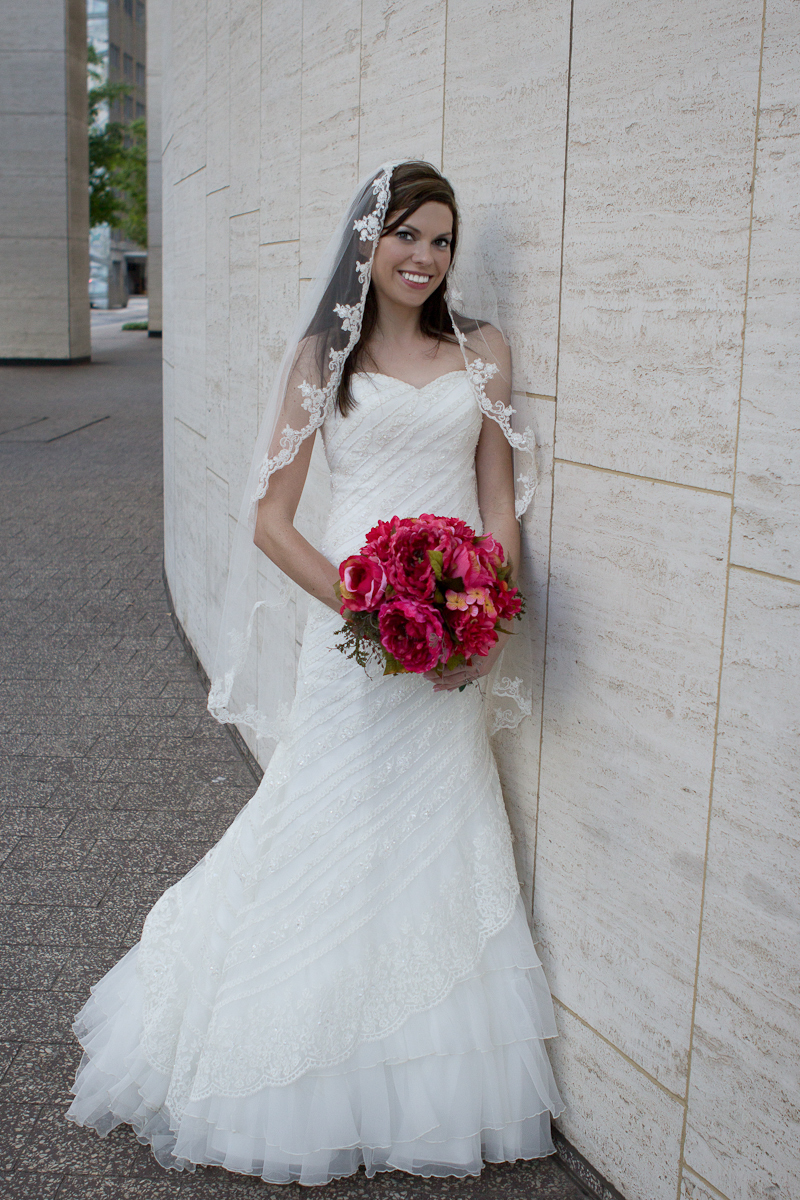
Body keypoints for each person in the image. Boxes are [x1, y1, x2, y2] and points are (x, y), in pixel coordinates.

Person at [66, 160, 563, 1186]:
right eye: (407, 236)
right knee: (324, 816)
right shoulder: (317, 360)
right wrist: (376, 612)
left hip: (449, 639)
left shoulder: (484, 353)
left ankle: (413, 1070)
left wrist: (470, 616)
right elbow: (268, 522)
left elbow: (498, 501)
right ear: (367, 241)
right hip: (359, 636)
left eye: (442, 242)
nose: (423, 259)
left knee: (438, 825)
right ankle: (269, 1046)